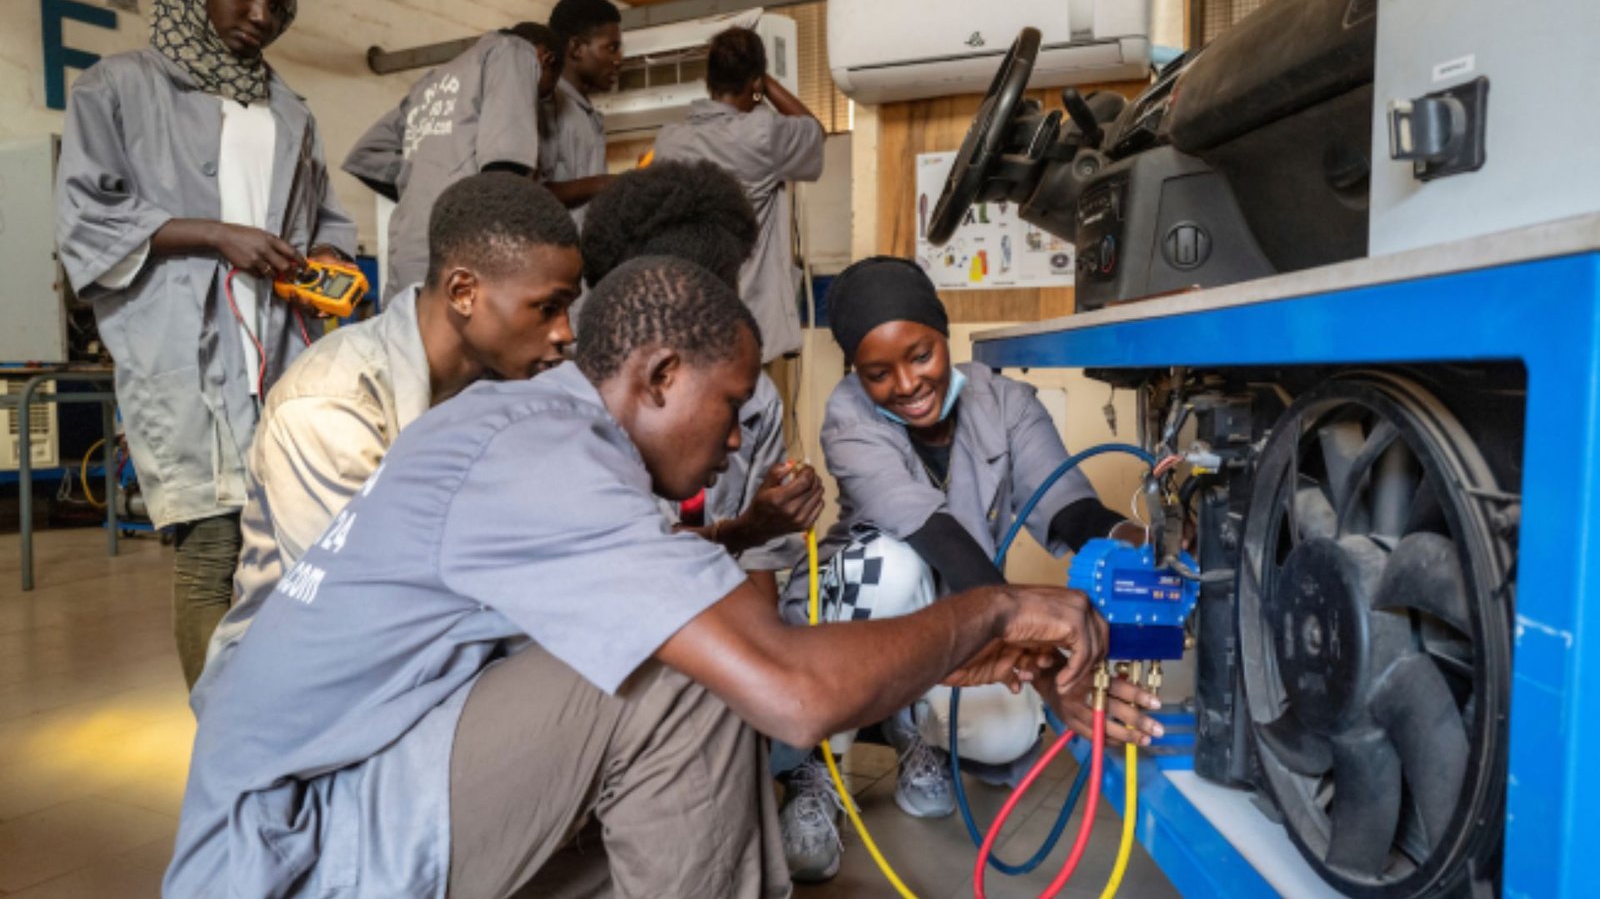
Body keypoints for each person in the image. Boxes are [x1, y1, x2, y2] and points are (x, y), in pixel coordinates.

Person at [166, 255, 1110, 898]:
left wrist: (932, 662)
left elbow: (735, 622)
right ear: (659, 376)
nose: (740, 435)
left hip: (358, 773)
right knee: (690, 682)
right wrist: (996, 609)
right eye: (732, 404)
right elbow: (785, 688)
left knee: (707, 639)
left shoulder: (533, 429)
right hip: (294, 849)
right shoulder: (544, 454)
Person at [771, 256, 1164, 882]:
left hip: (959, 614)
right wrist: (1046, 668)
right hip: (856, 612)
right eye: (878, 373)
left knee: (1007, 733)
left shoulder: (1007, 402)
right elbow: (936, 535)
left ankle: (910, 730)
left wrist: (1143, 541)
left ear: (943, 333)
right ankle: (818, 765)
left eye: (920, 355)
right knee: (896, 568)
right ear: (855, 373)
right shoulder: (848, 417)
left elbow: (1069, 509)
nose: (906, 384)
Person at [54, 0, 355, 689]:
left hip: (278, 350)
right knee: (212, 546)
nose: (261, 15)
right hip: (181, 353)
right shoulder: (117, 85)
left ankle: (271, 711)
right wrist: (216, 234)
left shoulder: (289, 109)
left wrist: (328, 255)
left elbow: (326, 212)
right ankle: (221, 740)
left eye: (280, 6)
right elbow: (86, 218)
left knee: (286, 545)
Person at [213, 173, 581, 665]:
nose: (565, 333)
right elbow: (361, 602)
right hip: (311, 683)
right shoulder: (327, 402)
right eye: (548, 308)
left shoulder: (516, 386)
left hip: (433, 652)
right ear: (463, 291)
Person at [581, 160, 822, 600]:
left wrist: (753, 533)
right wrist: (744, 530)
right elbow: (632, 572)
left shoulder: (756, 400)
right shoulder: (577, 423)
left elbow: (757, 573)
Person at [343, 22, 565, 300]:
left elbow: (367, 154)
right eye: (543, 92)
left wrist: (421, 184)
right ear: (546, 60)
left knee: (408, 337)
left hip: (408, 254)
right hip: (463, 252)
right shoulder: (515, 51)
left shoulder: (433, 80)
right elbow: (506, 167)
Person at [652, 26, 825, 364]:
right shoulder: (762, 134)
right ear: (755, 83)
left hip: (688, 315)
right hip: (749, 317)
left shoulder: (669, 142)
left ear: (708, 81)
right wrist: (766, 82)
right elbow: (815, 132)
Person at [540, 0, 623, 225]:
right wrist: (604, 184)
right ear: (576, 48)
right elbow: (530, 193)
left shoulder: (588, 115)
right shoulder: (547, 104)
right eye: (611, 48)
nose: (618, 60)